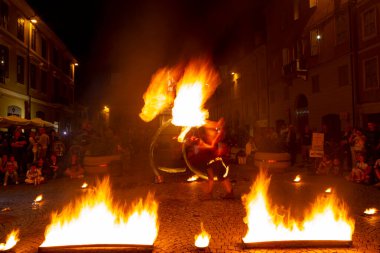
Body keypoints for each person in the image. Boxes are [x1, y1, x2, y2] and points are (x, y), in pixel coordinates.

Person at [193, 118, 233, 199]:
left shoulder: (220, 133)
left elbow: (212, 147)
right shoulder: (214, 128)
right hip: (211, 157)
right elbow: (207, 123)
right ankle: (210, 193)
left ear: (222, 125)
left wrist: (202, 145)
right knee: (211, 175)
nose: (218, 122)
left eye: (221, 121)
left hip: (217, 157)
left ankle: (230, 193)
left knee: (221, 175)